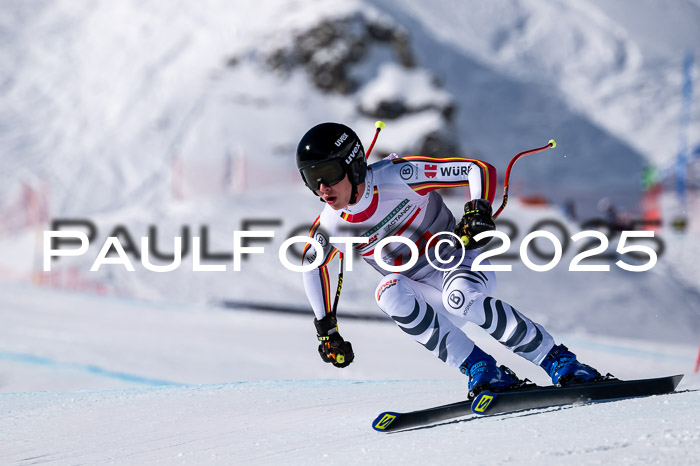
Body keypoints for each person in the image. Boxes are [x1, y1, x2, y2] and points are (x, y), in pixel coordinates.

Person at [296, 122, 603, 396]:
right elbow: (312, 265)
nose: (323, 189)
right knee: (387, 292)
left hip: (460, 264)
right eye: (312, 179)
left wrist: (477, 210)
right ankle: (483, 369)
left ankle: (560, 361)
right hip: (428, 298)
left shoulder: (399, 176)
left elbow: (477, 169)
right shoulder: (331, 225)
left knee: (460, 298)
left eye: (329, 174)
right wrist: (326, 330)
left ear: (353, 166)